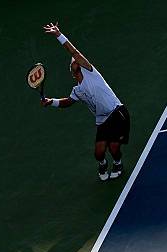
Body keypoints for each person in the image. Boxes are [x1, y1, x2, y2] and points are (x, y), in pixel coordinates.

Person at [41, 22, 130, 181]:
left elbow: (74, 52)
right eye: (73, 62)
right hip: (102, 120)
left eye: (76, 60)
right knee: (98, 152)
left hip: (116, 112)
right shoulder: (77, 90)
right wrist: (51, 101)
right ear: (72, 72)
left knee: (114, 147)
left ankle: (118, 163)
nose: (75, 60)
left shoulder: (90, 72)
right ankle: (102, 163)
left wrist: (58, 35)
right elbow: (67, 102)